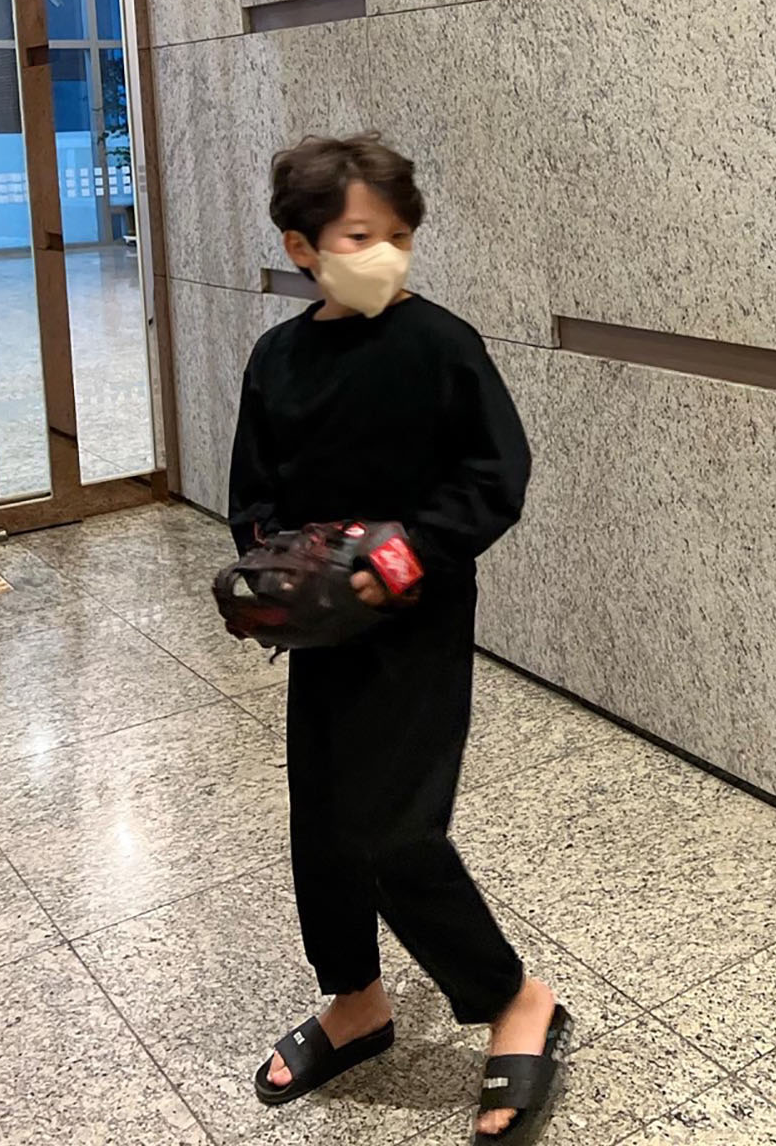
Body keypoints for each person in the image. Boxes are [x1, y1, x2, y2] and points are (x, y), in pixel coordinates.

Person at [227, 133, 570, 1142]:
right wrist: (273, 571)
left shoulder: (440, 345)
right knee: (323, 819)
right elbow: (254, 492)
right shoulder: (278, 358)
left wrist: (407, 553)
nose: (385, 254)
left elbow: (495, 475)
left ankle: (515, 998)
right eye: (358, 235)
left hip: (417, 626)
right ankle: (356, 997)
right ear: (302, 248)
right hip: (323, 633)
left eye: (399, 235)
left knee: (395, 829)